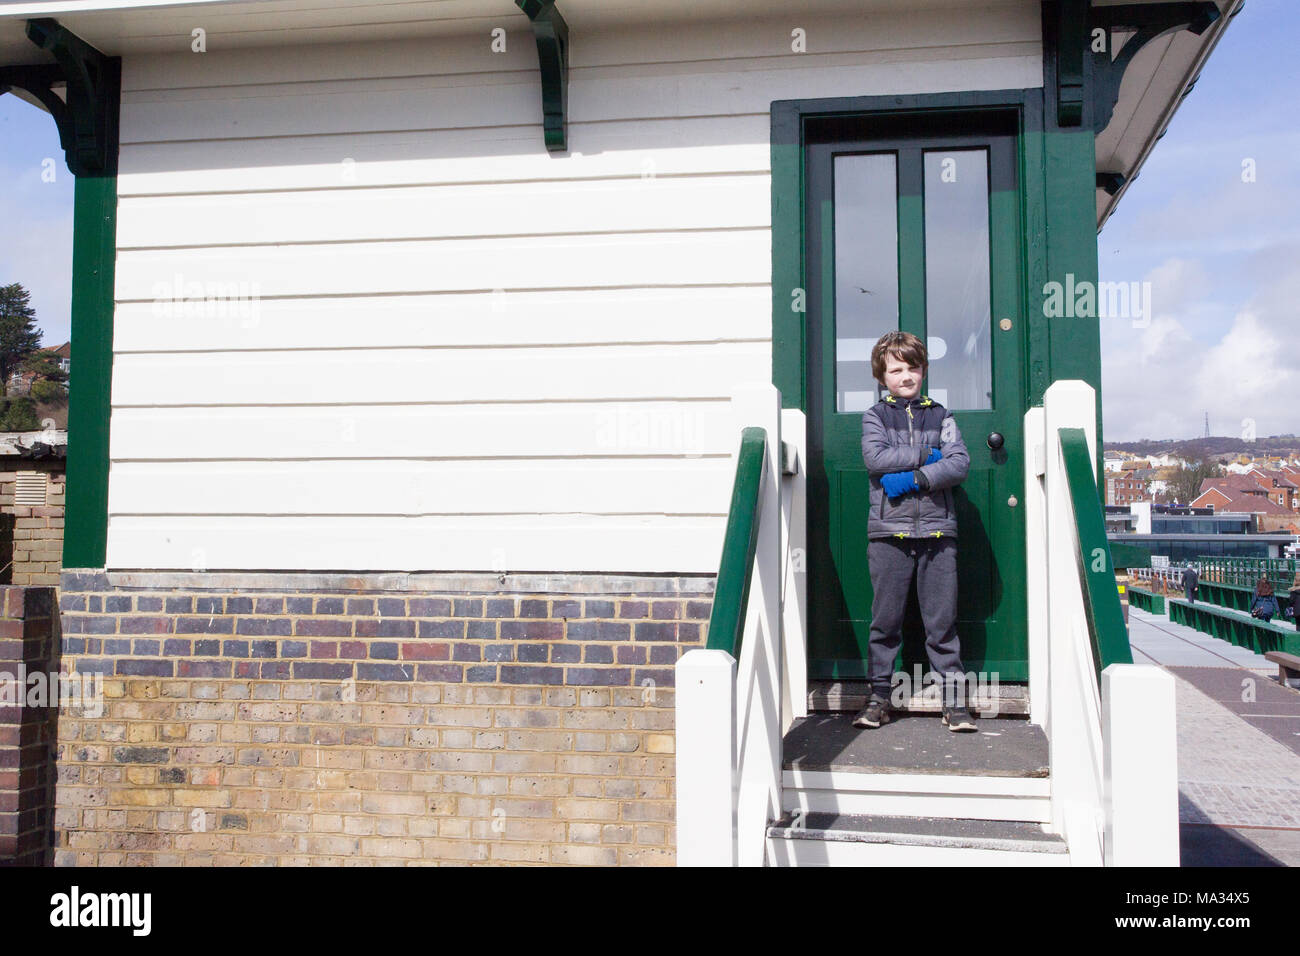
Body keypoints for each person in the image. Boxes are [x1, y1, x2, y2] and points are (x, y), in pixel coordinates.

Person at [854, 331, 975, 733]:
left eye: (913, 367)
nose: (906, 376)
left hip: (939, 534)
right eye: (896, 369)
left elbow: (958, 463)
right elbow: (876, 458)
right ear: (882, 376)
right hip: (890, 533)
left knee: (941, 624)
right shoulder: (875, 416)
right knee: (885, 623)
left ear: (922, 370)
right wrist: (927, 453)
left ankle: (954, 704)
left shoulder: (942, 415)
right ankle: (878, 698)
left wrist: (913, 479)